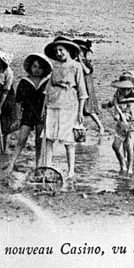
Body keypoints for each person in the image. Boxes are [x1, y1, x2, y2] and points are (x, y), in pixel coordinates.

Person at [43, 36, 88, 180]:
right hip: (53, 104)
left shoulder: (76, 66)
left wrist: (80, 111)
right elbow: (47, 89)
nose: (59, 54)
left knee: (69, 140)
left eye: (61, 50)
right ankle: (48, 166)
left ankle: (71, 171)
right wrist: (44, 108)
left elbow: (82, 91)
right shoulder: (54, 66)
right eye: (56, 51)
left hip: (69, 106)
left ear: (68, 50)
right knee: (49, 138)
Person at [6, 53, 52, 172]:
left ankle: (38, 165)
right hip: (28, 113)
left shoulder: (47, 82)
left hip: (41, 114)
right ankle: (11, 163)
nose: (37, 70)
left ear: (44, 69)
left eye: (40, 67)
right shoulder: (24, 82)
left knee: (39, 141)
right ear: (30, 67)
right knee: (22, 139)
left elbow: (50, 100)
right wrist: (17, 118)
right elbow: (18, 101)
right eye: (35, 66)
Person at [106, 72, 134, 175]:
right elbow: (114, 102)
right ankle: (123, 164)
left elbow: (131, 113)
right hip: (121, 125)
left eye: (128, 89)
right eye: (123, 88)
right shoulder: (118, 93)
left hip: (133, 123)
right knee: (115, 146)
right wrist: (107, 105)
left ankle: (130, 168)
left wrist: (120, 117)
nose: (125, 91)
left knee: (129, 144)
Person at [74, 39, 105, 135]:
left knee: (89, 109)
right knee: (78, 108)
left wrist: (80, 62)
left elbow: (87, 71)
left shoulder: (86, 62)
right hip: (79, 87)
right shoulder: (74, 63)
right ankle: (80, 127)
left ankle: (100, 126)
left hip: (87, 88)